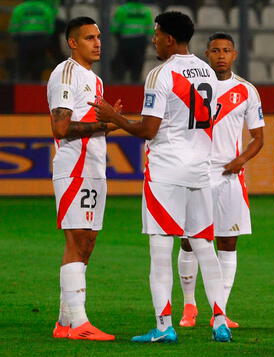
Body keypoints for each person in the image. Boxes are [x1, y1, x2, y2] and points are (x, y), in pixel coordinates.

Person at [90, 11, 233, 343]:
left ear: (169, 37)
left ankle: (164, 326)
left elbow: (149, 129)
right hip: (200, 167)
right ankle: (220, 320)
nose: (153, 39)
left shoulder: (161, 74)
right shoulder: (208, 72)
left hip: (167, 169)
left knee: (159, 246)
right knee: (203, 245)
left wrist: (115, 117)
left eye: (156, 34)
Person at [177, 31, 265, 330]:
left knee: (228, 242)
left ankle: (220, 309)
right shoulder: (194, 87)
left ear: (235, 54)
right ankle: (189, 306)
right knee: (190, 241)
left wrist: (240, 161)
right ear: (206, 54)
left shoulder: (247, 90)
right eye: (215, 50)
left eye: (226, 50)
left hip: (230, 176)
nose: (221, 55)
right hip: (197, 173)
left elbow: (258, 137)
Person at [48, 16, 118, 341]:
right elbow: (61, 128)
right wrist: (103, 125)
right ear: (73, 42)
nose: (98, 43)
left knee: (88, 242)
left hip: (94, 167)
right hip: (73, 167)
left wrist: (109, 121)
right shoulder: (65, 74)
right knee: (76, 240)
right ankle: (80, 324)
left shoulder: (97, 80)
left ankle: (64, 322)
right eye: (89, 38)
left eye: (99, 37)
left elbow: (93, 123)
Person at [9, 0, 56, 81]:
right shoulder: (45, 8)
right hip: (41, 38)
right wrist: (49, 35)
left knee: (23, 61)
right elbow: (50, 24)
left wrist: (14, 35)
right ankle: (36, 81)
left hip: (25, 39)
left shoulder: (20, 8)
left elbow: (14, 23)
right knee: (39, 61)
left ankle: (22, 81)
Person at [110, 0, 154, 82]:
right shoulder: (146, 10)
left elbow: (114, 28)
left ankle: (118, 88)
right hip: (140, 42)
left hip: (125, 42)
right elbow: (150, 30)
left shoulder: (122, 10)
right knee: (137, 70)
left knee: (120, 69)